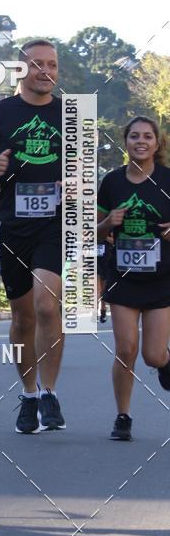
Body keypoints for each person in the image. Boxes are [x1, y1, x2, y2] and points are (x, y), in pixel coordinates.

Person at [0, 39, 65, 434]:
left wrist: (74, 182)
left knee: (45, 304)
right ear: (21, 69)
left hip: (56, 224)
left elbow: (87, 168)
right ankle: (29, 394)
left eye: (52, 65)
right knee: (23, 317)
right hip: (13, 224)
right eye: (37, 64)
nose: (45, 71)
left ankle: (51, 392)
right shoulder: (0, 114)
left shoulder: (70, 115)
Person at [97, 116, 170, 441]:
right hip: (123, 278)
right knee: (125, 349)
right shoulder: (111, 182)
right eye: (134, 136)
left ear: (157, 143)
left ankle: (166, 362)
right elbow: (91, 232)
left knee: (152, 355)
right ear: (125, 142)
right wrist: (108, 223)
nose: (141, 141)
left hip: (161, 279)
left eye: (148, 136)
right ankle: (122, 416)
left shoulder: (168, 180)